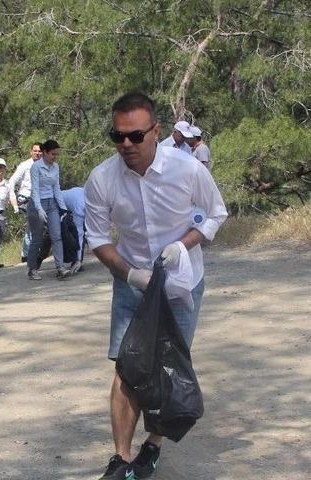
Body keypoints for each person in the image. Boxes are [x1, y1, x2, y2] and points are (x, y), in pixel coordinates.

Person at [85, 92, 227, 480]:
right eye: (118, 137)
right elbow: (97, 238)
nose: (126, 145)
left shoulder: (187, 169)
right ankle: (120, 458)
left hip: (182, 283)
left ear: (156, 131)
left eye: (135, 136)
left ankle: (152, 447)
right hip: (132, 283)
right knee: (127, 367)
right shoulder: (102, 178)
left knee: (166, 368)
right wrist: (131, 275)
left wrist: (184, 245)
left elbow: (216, 214)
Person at [27, 141, 71, 280]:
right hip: (36, 204)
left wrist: (63, 208)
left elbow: (56, 188)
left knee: (56, 236)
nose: (55, 157)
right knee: (37, 238)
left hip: (51, 203)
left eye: (57, 154)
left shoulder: (55, 167)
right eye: (53, 154)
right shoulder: (36, 167)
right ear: (44, 152)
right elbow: (34, 190)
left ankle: (60, 267)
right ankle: (32, 269)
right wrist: (39, 209)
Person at [10, 142, 41, 263]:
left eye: (39, 151)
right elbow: (12, 181)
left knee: (33, 226)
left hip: (40, 199)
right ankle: (27, 254)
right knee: (34, 225)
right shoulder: (25, 165)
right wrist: (13, 200)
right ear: (31, 151)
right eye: (35, 151)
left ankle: (27, 254)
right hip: (26, 198)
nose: (37, 153)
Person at [60, 186, 86, 273]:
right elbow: (79, 233)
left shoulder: (91, 200)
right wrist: (78, 259)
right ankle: (62, 265)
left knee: (84, 231)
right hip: (57, 205)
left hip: (71, 202)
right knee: (57, 234)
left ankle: (77, 261)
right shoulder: (80, 206)